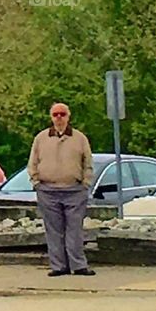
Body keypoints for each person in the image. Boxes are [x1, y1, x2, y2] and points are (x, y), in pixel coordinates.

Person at [28, 101, 95, 276]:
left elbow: (88, 162)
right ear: (51, 117)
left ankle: (78, 265)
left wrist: (85, 183)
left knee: (75, 229)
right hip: (48, 191)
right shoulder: (41, 138)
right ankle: (58, 266)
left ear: (68, 116)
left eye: (62, 114)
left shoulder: (79, 138)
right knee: (53, 230)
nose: (59, 118)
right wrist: (36, 182)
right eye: (55, 114)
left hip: (74, 190)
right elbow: (32, 162)